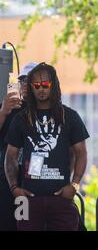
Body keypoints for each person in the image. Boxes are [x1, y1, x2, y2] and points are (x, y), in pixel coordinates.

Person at [5, 63, 89, 231]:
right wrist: (14, 188)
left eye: (45, 84)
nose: (41, 89)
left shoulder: (69, 116)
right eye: (36, 85)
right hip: (27, 199)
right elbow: (10, 156)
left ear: (54, 85)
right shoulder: (21, 119)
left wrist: (74, 185)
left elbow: (81, 153)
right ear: (30, 87)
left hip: (61, 198)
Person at [0, 62, 37, 231]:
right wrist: (3, 111)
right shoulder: (8, 108)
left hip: (37, 180)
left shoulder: (50, 110)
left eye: (31, 80)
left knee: (29, 225)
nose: (26, 84)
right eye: (22, 80)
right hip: (6, 180)